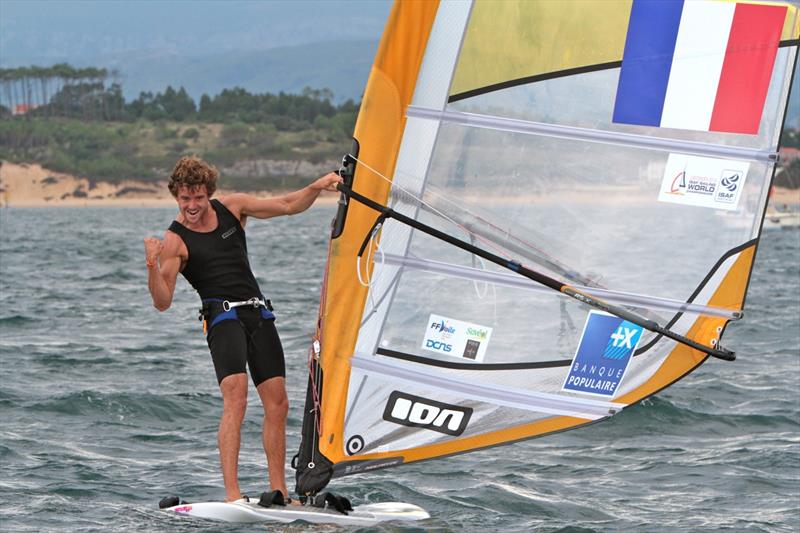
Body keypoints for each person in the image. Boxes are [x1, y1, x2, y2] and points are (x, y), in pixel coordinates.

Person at [144, 155, 341, 504]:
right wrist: (151, 266)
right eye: (185, 199)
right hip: (222, 320)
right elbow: (162, 302)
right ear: (176, 197)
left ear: (209, 194)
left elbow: (286, 205)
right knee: (236, 397)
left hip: (258, 313)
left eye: (198, 198)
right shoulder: (175, 240)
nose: (192, 206)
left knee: (278, 404)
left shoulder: (232, 209)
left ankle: (279, 491)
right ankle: (233, 494)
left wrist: (316, 187)